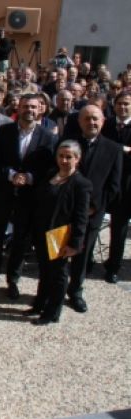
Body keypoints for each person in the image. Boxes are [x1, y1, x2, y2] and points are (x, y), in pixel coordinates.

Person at [0, 94, 57, 298]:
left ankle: (12, 280)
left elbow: (50, 167)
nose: (29, 110)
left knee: (20, 240)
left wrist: (30, 177)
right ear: (19, 108)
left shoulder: (48, 137)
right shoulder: (5, 131)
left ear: (40, 109)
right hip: (4, 192)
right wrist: (11, 174)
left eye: (33, 107)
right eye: (25, 106)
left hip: (29, 197)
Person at [27, 140, 91, 325]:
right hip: (42, 233)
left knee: (58, 275)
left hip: (61, 236)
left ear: (77, 159)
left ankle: (52, 313)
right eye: (61, 156)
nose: (64, 160)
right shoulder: (50, 174)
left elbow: (81, 217)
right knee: (44, 271)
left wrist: (75, 244)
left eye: (68, 157)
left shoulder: (81, 184)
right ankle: (39, 304)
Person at [66, 105, 122, 313]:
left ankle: (76, 291)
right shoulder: (68, 144)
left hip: (92, 212)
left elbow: (113, 186)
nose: (92, 122)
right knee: (60, 250)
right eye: (87, 119)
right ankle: (54, 289)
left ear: (103, 121)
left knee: (82, 253)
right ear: (80, 121)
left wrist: (95, 208)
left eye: (95, 119)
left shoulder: (113, 149)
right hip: (65, 209)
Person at [102, 92, 131, 284]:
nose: (122, 107)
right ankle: (86, 262)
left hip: (128, 186)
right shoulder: (107, 124)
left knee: (119, 229)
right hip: (107, 183)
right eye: (119, 104)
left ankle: (113, 266)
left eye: (126, 104)